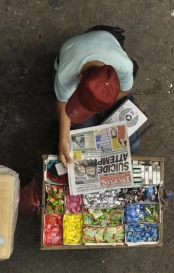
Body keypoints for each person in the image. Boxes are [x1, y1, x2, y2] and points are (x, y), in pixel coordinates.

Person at [54, 26, 140, 167]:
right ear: (80, 78)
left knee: (133, 145)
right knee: (77, 145)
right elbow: (63, 103)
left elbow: (126, 89)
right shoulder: (66, 75)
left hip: (105, 43)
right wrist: (63, 138)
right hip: (73, 51)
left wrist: (96, 108)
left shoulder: (124, 66)